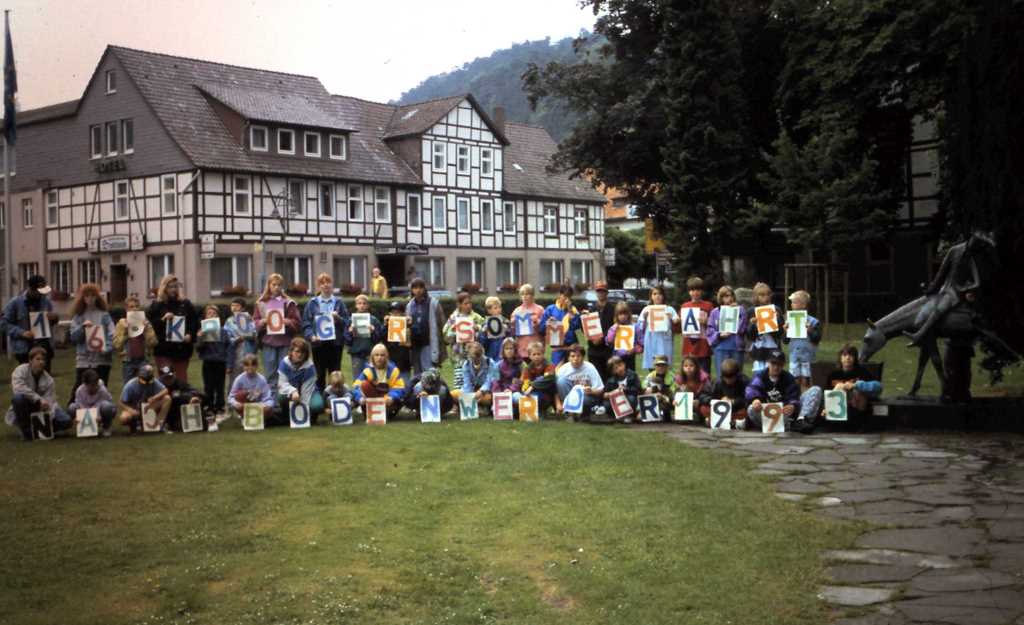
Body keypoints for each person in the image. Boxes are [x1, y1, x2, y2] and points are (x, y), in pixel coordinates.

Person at [907, 232, 995, 346]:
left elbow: (977, 282)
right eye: (975, 243)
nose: (975, 247)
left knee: (941, 308)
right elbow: (942, 272)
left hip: (955, 293)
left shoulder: (971, 259)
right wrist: (932, 288)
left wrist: (964, 288)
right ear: (971, 240)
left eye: (978, 245)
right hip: (945, 288)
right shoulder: (954, 251)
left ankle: (920, 334)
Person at [6, 347, 72, 441]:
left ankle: (42, 429)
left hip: (43, 409)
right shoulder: (20, 371)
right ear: (30, 360)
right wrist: (38, 399)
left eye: (43, 360)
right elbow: (18, 388)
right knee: (18, 398)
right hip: (26, 405)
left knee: (66, 421)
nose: (41, 362)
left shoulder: (49, 380)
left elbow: (51, 400)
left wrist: (48, 411)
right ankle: (26, 431)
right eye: (38, 359)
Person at [146, 274, 200, 382]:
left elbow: (194, 322)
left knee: (181, 381)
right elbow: (149, 325)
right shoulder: (156, 305)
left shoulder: (185, 304)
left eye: (176, 286)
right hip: (163, 350)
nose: (174, 289)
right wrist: (162, 319)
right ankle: (166, 398)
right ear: (164, 288)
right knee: (166, 379)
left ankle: (181, 399)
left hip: (182, 350)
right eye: (171, 286)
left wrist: (190, 334)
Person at [67, 283, 115, 402]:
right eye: (87, 296)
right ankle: (74, 413)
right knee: (79, 388)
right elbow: (73, 338)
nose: (90, 299)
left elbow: (112, 334)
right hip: (84, 358)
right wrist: (82, 328)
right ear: (82, 298)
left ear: (97, 297)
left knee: (101, 388)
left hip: (102, 358)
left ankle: (102, 414)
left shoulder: (104, 315)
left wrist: (107, 348)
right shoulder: (78, 317)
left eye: (93, 296)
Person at [302, 272, 350, 391]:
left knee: (335, 373)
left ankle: (334, 398)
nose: (325, 285)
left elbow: (347, 322)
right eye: (322, 283)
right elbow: (306, 323)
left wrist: (338, 318)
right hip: (318, 344)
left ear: (332, 284)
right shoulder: (312, 303)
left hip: (336, 343)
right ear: (318, 286)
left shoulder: (339, 302)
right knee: (319, 373)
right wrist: (311, 336)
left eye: (328, 282)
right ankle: (320, 400)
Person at [816, 344, 883, 428]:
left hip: (857, 408)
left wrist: (855, 385)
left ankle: (856, 420)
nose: (847, 358)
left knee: (856, 390)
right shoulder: (833, 375)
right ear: (840, 358)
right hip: (838, 409)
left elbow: (878, 387)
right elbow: (827, 394)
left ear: (855, 358)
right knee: (839, 387)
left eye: (851, 355)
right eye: (844, 355)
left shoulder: (862, 372)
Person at [253, 273, 301, 390]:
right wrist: (262, 322)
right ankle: (272, 404)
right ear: (269, 285)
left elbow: (298, 322)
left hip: (285, 343)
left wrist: (289, 322)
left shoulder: (288, 302)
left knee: (285, 374)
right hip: (268, 343)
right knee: (270, 375)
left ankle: (284, 402)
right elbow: (254, 322)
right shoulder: (261, 303)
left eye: (279, 285)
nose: (276, 287)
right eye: (274, 285)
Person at [743, 350, 809, 432]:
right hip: (765, 413)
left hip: (783, 414)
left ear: (783, 365)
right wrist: (755, 400)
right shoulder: (760, 376)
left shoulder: (789, 378)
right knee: (751, 409)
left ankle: (789, 424)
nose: (776, 367)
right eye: (773, 363)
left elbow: (794, 396)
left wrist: (792, 406)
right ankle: (783, 426)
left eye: (779, 364)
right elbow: (752, 389)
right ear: (768, 362)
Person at [2, 275, 58, 370]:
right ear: (30, 289)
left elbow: (50, 323)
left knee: (45, 381)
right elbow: (3, 324)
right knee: (27, 380)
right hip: (24, 350)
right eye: (39, 292)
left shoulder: (46, 302)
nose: (42, 295)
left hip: (44, 348)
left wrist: (54, 318)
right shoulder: (15, 303)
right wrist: (22, 333)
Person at [276, 337, 323, 425]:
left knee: (317, 405)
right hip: (292, 392)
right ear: (291, 352)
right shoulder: (284, 363)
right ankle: (286, 416)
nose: (300, 355)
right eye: (297, 351)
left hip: (309, 391)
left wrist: (302, 415)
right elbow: (282, 383)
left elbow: (306, 392)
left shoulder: (310, 366)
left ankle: (311, 417)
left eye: (303, 352)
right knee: (281, 396)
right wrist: (293, 391)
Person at [444, 292, 486, 390]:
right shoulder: (453, 317)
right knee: (459, 377)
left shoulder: (476, 317)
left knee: (473, 375)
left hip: (473, 353)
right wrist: (454, 330)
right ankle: (459, 398)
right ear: (459, 304)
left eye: (470, 303)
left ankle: (473, 397)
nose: (468, 306)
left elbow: (486, 328)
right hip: (458, 353)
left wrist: (478, 328)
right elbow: (445, 332)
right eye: (466, 303)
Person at [352, 343, 406, 420]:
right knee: (364, 385)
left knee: (399, 398)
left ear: (386, 357)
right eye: (376, 355)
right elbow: (356, 386)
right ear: (372, 357)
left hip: (388, 399)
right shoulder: (367, 371)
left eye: (382, 355)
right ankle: (370, 412)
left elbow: (400, 387)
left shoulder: (394, 370)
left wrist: (391, 397)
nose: (379, 358)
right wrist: (360, 398)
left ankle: (385, 412)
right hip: (373, 397)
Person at [113, 295, 158, 385]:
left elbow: (153, 343)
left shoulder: (145, 322)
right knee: (129, 386)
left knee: (146, 385)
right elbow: (116, 345)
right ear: (126, 309)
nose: (135, 309)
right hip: (128, 361)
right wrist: (125, 332)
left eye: (137, 306)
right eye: (131, 307)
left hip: (143, 360)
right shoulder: (122, 323)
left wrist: (146, 331)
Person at [784, 290, 823, 392]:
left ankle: (807, 395)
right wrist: (785, 331)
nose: (792, 304)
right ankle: (796, 396)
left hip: (808, 356)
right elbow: (785, 341)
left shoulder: (814, 322)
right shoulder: (788, 320)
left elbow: (817, 339)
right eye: (791, 302)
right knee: (794, 379)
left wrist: (810, 331)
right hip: (794, 356)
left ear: (803, 305)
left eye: (794, 302)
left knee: (807, 379)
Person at [406, 278, 446, 376]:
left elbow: (442, 323)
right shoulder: (410, 305)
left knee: (429, 372)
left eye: (420, 287)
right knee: (417, 373)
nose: (418, 290)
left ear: (424, 289)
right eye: (415, 288)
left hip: (429, 342)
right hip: (415, 344)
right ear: (412, 290)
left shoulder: (433, 303)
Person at [706, 285, 747, 379]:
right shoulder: (715, 312)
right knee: (721, 375)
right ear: (721, 298)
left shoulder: (740, 310)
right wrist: (719, 335)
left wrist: (739, 312)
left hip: (736, 347)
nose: (730, 298)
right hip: (721, 348)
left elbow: (743, 328)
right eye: (726, 296)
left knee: (737, 375)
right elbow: (710, 330)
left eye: (731, 295)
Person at [556, 344, 604, 421]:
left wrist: (592, 391)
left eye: (578, 356)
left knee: (585, 400)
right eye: (572, 356)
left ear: (583, 357)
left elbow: (600, 389)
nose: (576, 359)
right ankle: (569, 411)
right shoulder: (563, 369)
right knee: (561, 381)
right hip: (568, 397)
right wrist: (558, 403)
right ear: (568, 358)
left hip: (586, 396)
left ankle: (583, 414)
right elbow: (555, 390)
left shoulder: (590, 368)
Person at [117, 364, 171, 434]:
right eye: (143, 380)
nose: (146, 383)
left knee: (167, 398)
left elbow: (165, 390)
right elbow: (121, 402)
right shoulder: (130, 385)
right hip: (135, 409)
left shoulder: (153, 381)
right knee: (124, 418)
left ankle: (160, 425)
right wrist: (130, 410)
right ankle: (134, 426)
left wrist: (154, 398)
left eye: (149, 381)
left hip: (149, 407)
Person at [197, 304, 229, 417]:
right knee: (208, 386)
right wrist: (201, 337)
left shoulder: (223, 331)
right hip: (208, 362)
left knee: (220, 386)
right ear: (205, 317)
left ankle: (220, 407)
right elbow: (199, 348)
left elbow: (227, 346)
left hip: (220, 362)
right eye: (209, 313)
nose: (212, 315)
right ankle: (209, 407)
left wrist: (227, 361)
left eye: (214, 314)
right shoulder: (202, 331)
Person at [698, 358, 749, 428]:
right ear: (722, 376)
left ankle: (717, 420)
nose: (728, 380)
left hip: (736, 409)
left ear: (737, 375)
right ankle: (734, 422)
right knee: (703, 408)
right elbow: (702, 395)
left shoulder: (744, 382)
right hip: (719, 410)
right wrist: (717, 401)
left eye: (731, 378)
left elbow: (748, 398)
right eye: (726, 378)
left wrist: (734, 401)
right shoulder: (716, 383)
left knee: (746, 411)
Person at [745, 282, 784, 374]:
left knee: (773, 375)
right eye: (762, 295)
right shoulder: (751, 311)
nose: (766, 297)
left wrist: (776, 320)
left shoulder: (776, 309)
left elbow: (781, 333)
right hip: (759, 349)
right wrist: (753, 324)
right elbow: (749, 336)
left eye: (768, 294)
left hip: (773, 349)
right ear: (756, 296)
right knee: (758, 375)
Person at [539, 284, 582, 366]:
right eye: (565, 296)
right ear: (560, 295)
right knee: (558, 372)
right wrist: (547, 323)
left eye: (569, 297)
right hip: (557, 348)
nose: (567, 299)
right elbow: (541, 329)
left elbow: (577, 328)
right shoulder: (550, 309)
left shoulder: (573, 310)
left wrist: (571, 312)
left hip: (571, 347)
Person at [68, 368, 117, 438]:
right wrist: (80, 416)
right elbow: (80, 405)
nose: (95, 387)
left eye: (96, 384)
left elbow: (101, 404)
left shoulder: (102, 390)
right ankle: (83, 428)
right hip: (86, 411)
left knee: (107, 406)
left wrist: (97, 415)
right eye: (92, 385)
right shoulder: (79, 391)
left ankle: (106, 427)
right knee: (72, 407)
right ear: (85, 384)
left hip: (100, 411)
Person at [639, 285, 679, 370]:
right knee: (652, 363)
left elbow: (676, 321)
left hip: (664, 338)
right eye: (655, 294)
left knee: (664, 362)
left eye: (660, 294)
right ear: (651, 296)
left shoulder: (669, 309)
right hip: (651, 338)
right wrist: (645, 318)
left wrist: (671, 317)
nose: (657, 296)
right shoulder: (646, 309)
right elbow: (640, 327)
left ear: (663, 296)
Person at [344, 294, 383, 381]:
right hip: (356, 353)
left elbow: (378, 339)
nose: (362, 305)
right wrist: (350, 332)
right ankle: (358, 394)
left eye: (364, 303)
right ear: (356, 305)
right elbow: (347, 341)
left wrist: (373, 332)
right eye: (359, 303)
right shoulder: (351, 320)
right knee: (358, 378)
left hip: (371, 354)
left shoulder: (373, 320)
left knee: (372, 377)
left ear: (368, 305)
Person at [680, 276, 714, 374]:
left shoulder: (708, 305)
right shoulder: (684, 306)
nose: (695, 292)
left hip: (703, 346)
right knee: (688, 373)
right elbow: (680, 326)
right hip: (688, 346)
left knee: (704, 373)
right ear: (689, 291)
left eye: (698, 289)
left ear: (702, 291)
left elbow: (714, 324)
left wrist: (707, 321)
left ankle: (705, 389)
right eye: (692, 290)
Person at [228, 354, 276, 421]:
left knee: (269, 408)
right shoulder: (239, 379)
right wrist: (236, 404)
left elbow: (268, 398)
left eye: (253, 364)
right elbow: (230, 397)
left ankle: (260, 419)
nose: (250, 367)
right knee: (240, 395)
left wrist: (266, 405)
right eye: (247, 365)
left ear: (257, 366)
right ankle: (244, 417)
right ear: (243, 366)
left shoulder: (262, 379)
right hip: (244, 406)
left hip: (259, 406)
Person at [158, 365, 205, 432]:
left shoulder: (180, 383)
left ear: (174, 375)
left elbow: (195, 392)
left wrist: (189, 397)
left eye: (170, 377)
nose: (168, 380)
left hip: (177, 411)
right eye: (166, 378)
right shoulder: (156, 386)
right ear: (161, 377)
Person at [586, 281, 617, 381]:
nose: (601, 293)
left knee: (609, 377)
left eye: (603, 291)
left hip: (607, 349)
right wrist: (593, 339)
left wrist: (603, 338)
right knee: (596, 377)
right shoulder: (591, 310)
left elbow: (613, 327)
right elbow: (586, 329)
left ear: (607, 292)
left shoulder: (613, 309)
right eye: (599, 291)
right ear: (596, 292)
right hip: (593, 349)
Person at [223, 297, 257, 382]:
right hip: (234, 352)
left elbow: (255, 333)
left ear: (243, 308)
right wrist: (235, 340)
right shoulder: (229, 321)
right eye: (232, 306)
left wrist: (246, 336)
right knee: (234, 378)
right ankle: (233, 394)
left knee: (249, 376)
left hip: (247, 350)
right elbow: (226, 337)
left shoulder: (249, 319)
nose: (234, 308)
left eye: (237, 306)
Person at [458, 341, 497, 414]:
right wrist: (469, 396)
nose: (476, 360)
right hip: (472, 389)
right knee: (454, 394)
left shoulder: (491, 363)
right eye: (473, 358)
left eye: (478, 357)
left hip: (486, 391)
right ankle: (468, 407)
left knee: (488, 399)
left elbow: (491, 380)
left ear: (482, 354)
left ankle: (484, 407)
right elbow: (467, 383)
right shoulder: (466, 364)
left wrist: (481, 391)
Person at [521, 341, 557, 415]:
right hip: (533, 392)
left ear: (543, 354)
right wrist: (525, 388)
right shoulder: (527, 368)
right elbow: (526, 381)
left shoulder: (549, 365)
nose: (536, 356)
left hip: (548, 393)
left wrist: (532, 386)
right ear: (530, 356)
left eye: (538, 354)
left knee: (538, 396)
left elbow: (548, 378)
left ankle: (544, 409)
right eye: (534, 354)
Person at [602, 355, 641, 423]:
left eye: (620, 365)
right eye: (615, 368)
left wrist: (625, 389)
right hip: (617, 401)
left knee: (631, 399)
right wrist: (613, 393)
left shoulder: (633, 375)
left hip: (630, 397)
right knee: (606, 404)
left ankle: (630, 415)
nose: (619, 369)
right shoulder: (611, 380)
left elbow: (638, 389)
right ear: (612, 371)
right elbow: (604, 394)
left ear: (624, 364)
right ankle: (616, 416)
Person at [605, 301, 643, 372]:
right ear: (616, 315)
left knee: (630, 377)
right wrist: (614, 330)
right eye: (620, 314)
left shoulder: (635, 327)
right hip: (617, 358)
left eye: (625, 314)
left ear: (628, 314)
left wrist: (634, 349)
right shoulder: (614, 327)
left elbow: (641, 343)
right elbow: (609, 341)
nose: (623, 316)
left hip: (630, 358)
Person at [511, 284, 545, 361]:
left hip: (536, 347)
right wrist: (513, 324)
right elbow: (512, 331)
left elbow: (545, 327)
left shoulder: (539, 309)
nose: (525, 296)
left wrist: (538, 322)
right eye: (522, 294)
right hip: (521, 346)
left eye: (527, 294)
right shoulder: (517, 311)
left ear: (532, 295)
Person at [383, 300, 413, 385]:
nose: (395, 315)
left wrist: (410, 325)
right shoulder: (387, 326)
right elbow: (381, 338)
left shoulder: (407, 326)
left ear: (403, 314)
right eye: (393, 312)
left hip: (404, 364)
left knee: (405, 387)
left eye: (398, 312)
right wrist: (385, 325)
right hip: (390, 364)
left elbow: (415, 339)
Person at [491, 338, 523, 409]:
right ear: (503, 350)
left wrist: (511, 390)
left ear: (515, 350)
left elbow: (520, 380)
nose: (509, 351)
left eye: (511, 348)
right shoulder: (497, 365)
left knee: (518, 398)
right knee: (493, 409)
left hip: (515, 392)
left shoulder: (520, 364)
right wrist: (499, 394)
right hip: (501, 392)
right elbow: (495, 382)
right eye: (506, 349)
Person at [642, 355, 675, 419]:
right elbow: (643, 387)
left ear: (667, 366)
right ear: (654, 366)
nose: (660, 367)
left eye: (663, 365)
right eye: (658, 365)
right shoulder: (650, 376)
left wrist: (663, 396)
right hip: (652, 398)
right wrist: (650, 391)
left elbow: (673, 390)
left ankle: (666, 412)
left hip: (667, 398)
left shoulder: (672, 376)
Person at [479, 296, 511, 362]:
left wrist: (507, 331)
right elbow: (482, 343)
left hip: (503, 354)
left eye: (500, 307)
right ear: (489, 310)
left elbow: (511, 339)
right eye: (495, 308)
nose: (499, 310)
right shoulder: (485, 323)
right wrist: (484, 333)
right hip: (490, 354)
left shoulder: (506, 321)